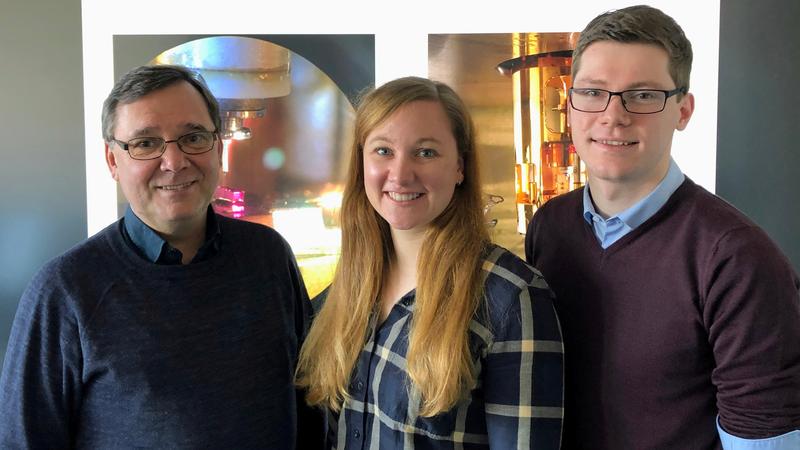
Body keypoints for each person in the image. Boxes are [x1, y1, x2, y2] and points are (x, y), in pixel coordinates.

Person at [0, 64, 320, 448]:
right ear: (113, 161)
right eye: (146, 143)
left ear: (218, 147)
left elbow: (310, 408)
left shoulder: (268, 256)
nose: (174, 162)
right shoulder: (65, 291)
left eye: (193, 137)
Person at [525, 5, 800, 449]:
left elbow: (763, 440)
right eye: (594, 92)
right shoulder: (550, 227)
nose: (613, 116)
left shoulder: (736, 258)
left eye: (644, 95)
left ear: (683, 111)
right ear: (571, 103)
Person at [295, 76, 564, 449]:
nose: (401, 174)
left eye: (425, 152)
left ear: (460, 167)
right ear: (361, 163)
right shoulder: (351, 283)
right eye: (383, 151)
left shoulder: (511, 298)